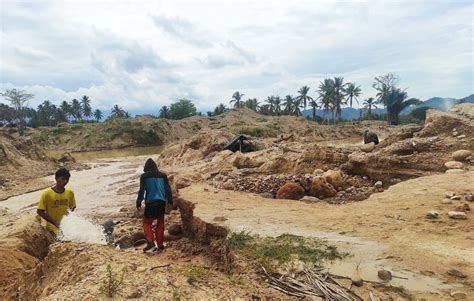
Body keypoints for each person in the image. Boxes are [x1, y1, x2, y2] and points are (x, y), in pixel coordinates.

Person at [136, 158, 173, 253]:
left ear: (146, 168)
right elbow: (167, 189)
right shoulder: (163, 175)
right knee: (160, 224)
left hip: (151, 203)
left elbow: (142, 190)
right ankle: (160, 245)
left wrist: (139, 201)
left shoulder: (144, 176)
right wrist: (170, 200)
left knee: (147, 223)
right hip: (161, 202)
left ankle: (150, 242)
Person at [37, 168, 76, 237]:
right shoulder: (47, 193)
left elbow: (72, 208)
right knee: (61, 237)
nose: (65, 181)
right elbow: (40, 211)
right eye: (63, 179)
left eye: (67, 179)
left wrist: (69, 220)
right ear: (56, 178)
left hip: (65, 224)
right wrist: (53, 222)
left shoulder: (70, 193)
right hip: (51, 225)